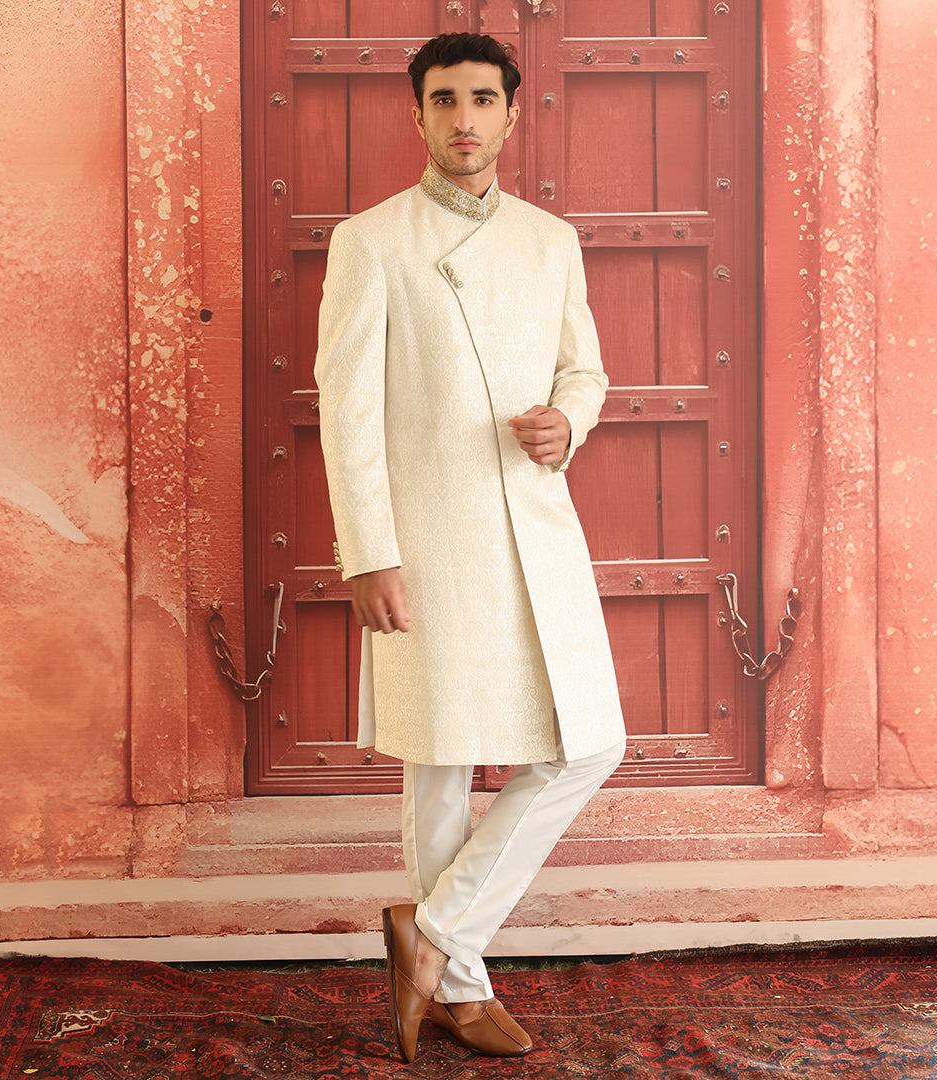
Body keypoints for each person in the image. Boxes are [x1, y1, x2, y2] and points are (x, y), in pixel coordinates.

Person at [314, 32, 627, 1063]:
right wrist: (368, 552)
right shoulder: (372, 242)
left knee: (588, 744)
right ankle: (460, 988)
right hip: (428, 537)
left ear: (511, 112)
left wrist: (569, 423)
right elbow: (347, 413)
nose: (463, 118)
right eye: (444, 99)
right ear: (417, 114)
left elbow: (586, 372)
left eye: (482, 98)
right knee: (441, 762)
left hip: (537, 526)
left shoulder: (551, 240)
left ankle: (435, 934)